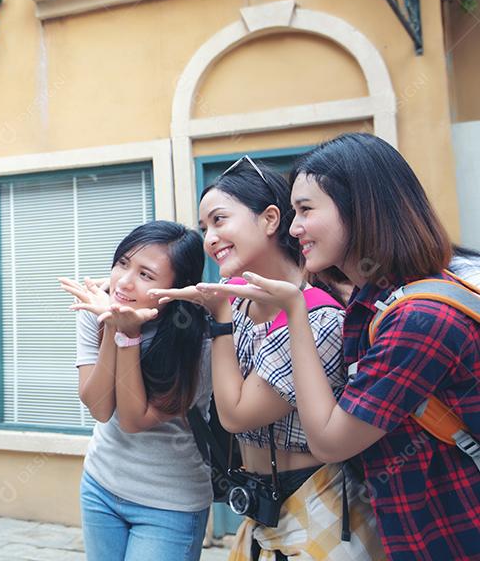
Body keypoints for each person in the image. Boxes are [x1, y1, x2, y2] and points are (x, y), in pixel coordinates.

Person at [204, 134, 479, 560]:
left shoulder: (419, 319)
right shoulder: (373, 303)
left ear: (360, 207)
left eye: (306, 210)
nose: (296, 229)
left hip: (450, 531)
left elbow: (329, 440)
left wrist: (295, 311)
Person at [155, 157, 383, 560]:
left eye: (220, 220)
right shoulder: (238, 299)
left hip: (316, 503)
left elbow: (236, 414)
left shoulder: (317, 317)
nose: (210, 238)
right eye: (205, 227)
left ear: (271, 219)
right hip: (262, 510)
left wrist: (221, 319)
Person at [59, 221, 212, 561]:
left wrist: (128, 335)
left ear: (176, 288)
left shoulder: (198, 341)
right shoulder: (97, 311)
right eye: (123, 263)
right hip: (101, 486)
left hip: (169, 504)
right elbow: (99, 407)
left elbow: (132, 419)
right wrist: (113, 324)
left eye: (146, 275)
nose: (124, 282)